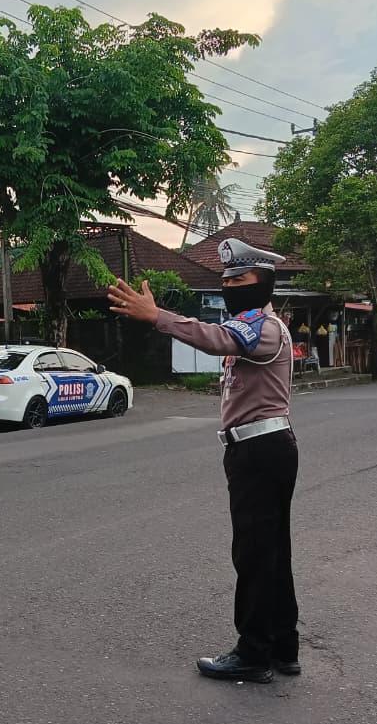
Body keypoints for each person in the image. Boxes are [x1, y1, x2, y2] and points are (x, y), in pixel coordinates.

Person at [108, 237, 299, 684]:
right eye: (226, 279)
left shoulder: (261, 327)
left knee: (254, 554)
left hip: (259, 450)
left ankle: (253, 653)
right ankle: (282, 647)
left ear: (264, 282)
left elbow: (217, 338)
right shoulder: (257, 324)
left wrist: (158, 317)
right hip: (264, 448)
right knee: (271, 552)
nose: (231, 285)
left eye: (240, 278)